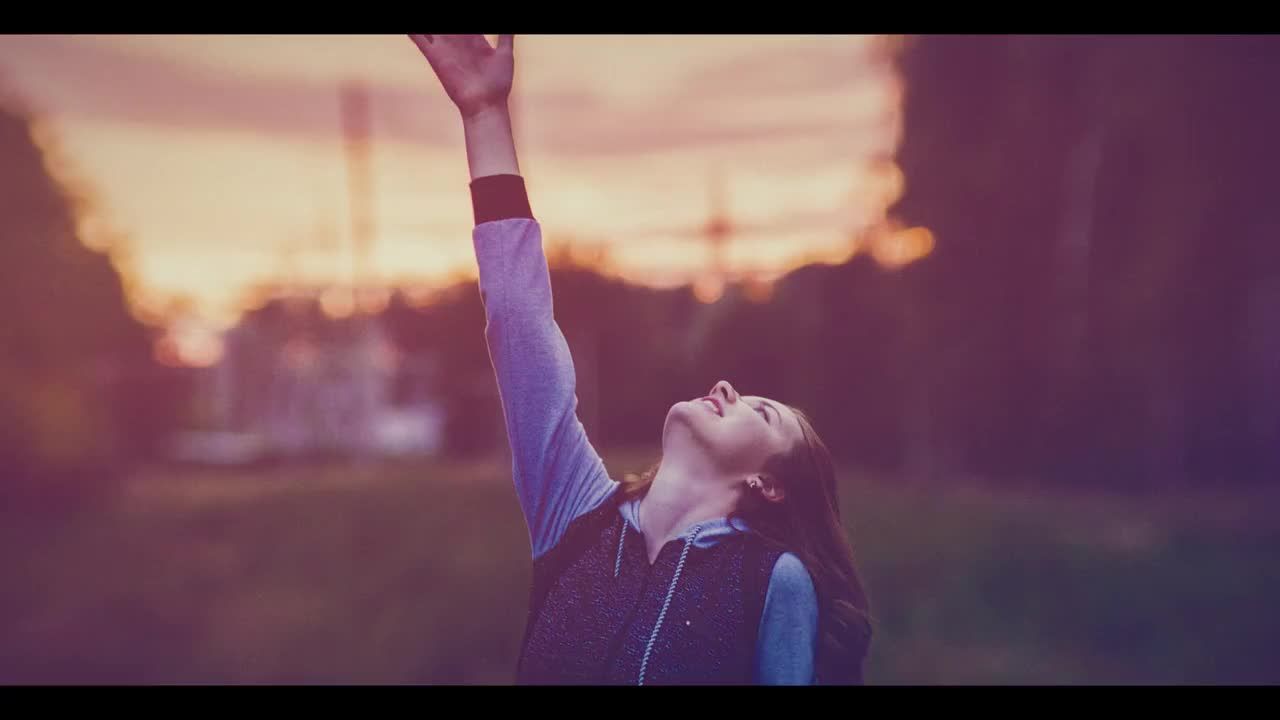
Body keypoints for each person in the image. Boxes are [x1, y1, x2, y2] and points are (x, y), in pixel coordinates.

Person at [409, 33, 873, 685]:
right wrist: (484, 116)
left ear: (768, 484)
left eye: (762, 414)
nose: (727, 389)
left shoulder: (772, 581)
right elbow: (516, 316)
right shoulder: (572, 511)